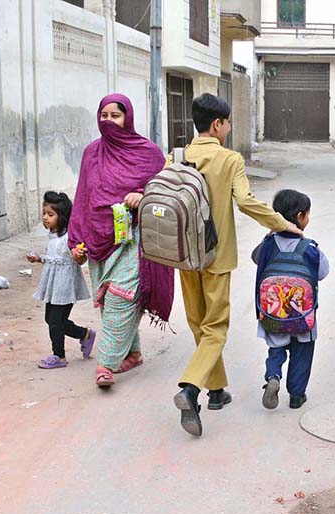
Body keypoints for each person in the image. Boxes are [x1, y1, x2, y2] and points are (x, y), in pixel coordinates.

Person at [172, 94, 302, 437]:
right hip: (215, 256)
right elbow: (245, 201)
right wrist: (281, 224)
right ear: (217, 124)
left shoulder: (176, 157)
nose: (228, 128)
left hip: (183, 255)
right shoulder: (229, 159)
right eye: (227, 123)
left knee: (200, 325)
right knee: (215, 329)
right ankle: (191, 388)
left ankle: (216, 392)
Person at [68, 94, 174, 388]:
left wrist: (143, 196)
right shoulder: (91, 153)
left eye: (115, 116)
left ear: (128, 118)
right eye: (104, 116)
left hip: (135, 241)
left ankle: (106, 363)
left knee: (120, 297)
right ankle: (134, 353)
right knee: (107, 299)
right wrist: (75, 240)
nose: (109, 122)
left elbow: (166, 191)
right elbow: (83, 197)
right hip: (99, 239)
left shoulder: (149, 153)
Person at [252, 190, 329, 410]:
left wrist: (269, 234)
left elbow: (256, 258)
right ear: (299, 218)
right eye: (307, 214)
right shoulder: (310, 248)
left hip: (273, 314)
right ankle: (296, 395)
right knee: (302, 351)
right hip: (303, 317)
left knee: (276, 348)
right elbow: (323, 272)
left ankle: (273, 376)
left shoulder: (269, 244)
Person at [29, 191, 94, 369]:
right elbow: (54, 258)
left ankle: (59, 356)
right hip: (54, 283)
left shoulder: (70, 237)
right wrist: (39, 258)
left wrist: (80, 255)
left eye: (50, 214)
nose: (45, 218)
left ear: (62, 216)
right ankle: (85, 334)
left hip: (65, 284)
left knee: (56, 321)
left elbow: (79, 259)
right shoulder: (53, 235)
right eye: (44, 213)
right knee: (51, 319)